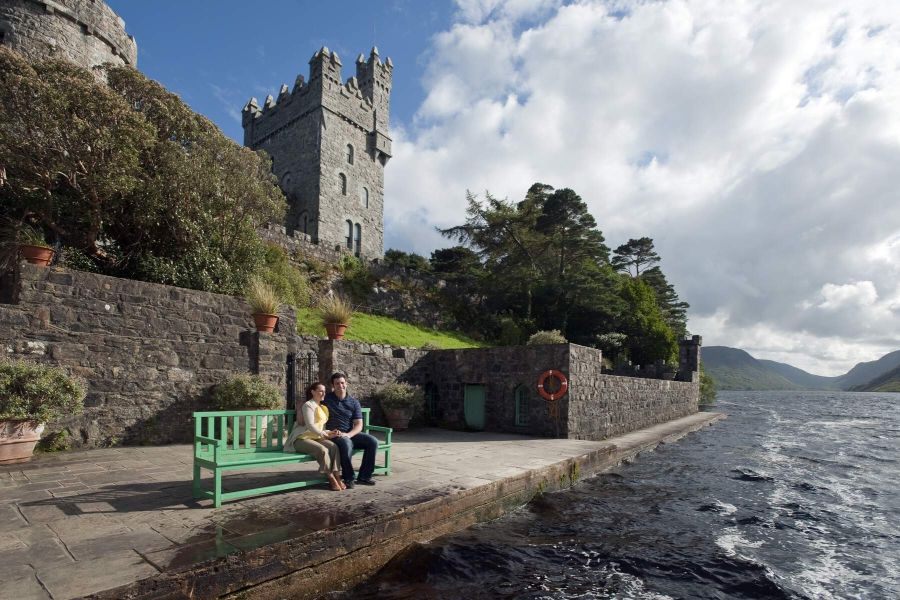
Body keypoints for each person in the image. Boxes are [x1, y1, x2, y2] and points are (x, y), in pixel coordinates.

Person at [285, 382, 344, 491]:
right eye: (320, 391)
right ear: (313, 392)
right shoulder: (308, 405)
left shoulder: (322, 407)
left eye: (324, 391)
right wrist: (323, 434)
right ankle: (330, 478)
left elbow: (320, 428)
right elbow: (310, 425)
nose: (323, 393)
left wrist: (330, 432)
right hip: (301, 439)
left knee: (333, 447)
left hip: (315, 437)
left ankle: (337, 475)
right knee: (322, 449)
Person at [323, 372, 379, 488]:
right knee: (346, 443)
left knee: (372, 441)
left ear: (346, 383)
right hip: (333, 434)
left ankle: (365, 476)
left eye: (342, 383)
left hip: (349, 433)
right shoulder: (326, 399)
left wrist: (349, 434)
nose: (340, 386)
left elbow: (359, 425)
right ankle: (348, 478)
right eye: (337, 383)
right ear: (333, 385)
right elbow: (310, 401)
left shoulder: (354, 402)